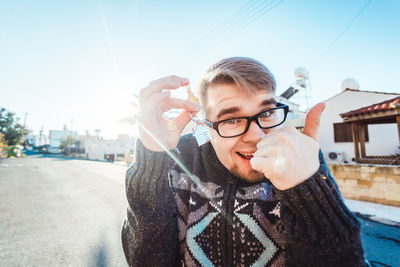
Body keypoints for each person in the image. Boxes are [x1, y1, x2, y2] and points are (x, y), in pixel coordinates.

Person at [121, 57, 366, 266]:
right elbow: (145, 259)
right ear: (205, 125)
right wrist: (150, 164)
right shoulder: (179, 160)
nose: (256, 136)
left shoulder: (298, 159)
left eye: (267, 113)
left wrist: (309, 188)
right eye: (232, 120)